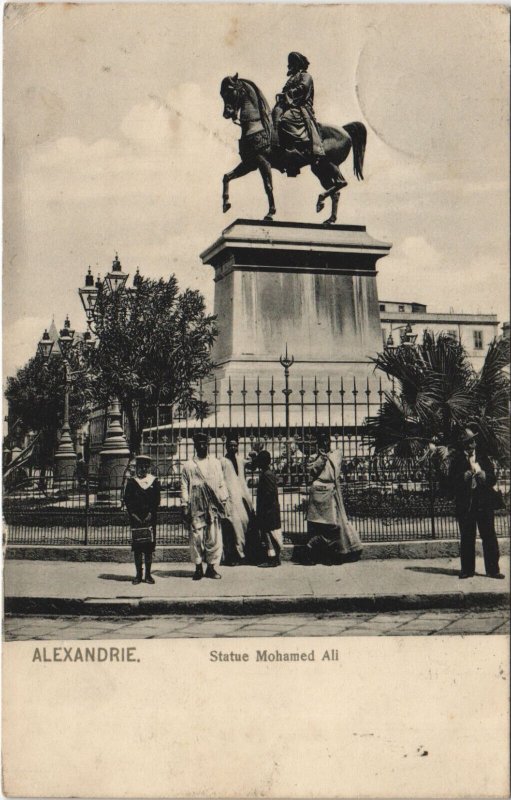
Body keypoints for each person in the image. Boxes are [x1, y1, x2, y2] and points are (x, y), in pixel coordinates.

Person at [446, 426, 505, 580]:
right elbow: (449, 484)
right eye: (467, 443)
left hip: (484, 503)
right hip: (466, 505)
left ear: (475, 443)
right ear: (463, 445)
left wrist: (486, 476)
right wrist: (462, 478)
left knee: (489, 536)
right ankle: (467, 570)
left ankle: (493, 570)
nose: (471, 445)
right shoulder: (457, 460)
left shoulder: (483, 458)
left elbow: (493, 478)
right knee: (467, 538)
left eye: (472, 442)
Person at [304, 433, 362, 565]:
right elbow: (312, 472)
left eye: (327, 440)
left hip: (332, 491)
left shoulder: (337, 454)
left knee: (334, 524)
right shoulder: (313, 457)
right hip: (319, 492)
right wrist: (321, 458)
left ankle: (326, 552)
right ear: (318, 443)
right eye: (322, 441)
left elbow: (343, 470)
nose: (326, 443)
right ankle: (315, 554)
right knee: (319, 524)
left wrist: (353, 463)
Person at [181, 432, 229, 581]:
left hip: (213, 504)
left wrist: (224, 501)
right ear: (195, 446)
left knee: (213, 536)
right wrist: (185, 504)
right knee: (197, 537)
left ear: (207, 445)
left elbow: (221, 483)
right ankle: (198, 567)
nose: (202, 446)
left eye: (204, 444)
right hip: (196, 504)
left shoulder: (215, 462)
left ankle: (211, 567)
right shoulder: (189, 465)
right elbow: (184, 486)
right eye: (199, 444)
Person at [272, 51, 325, 174]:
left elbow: (303, 88)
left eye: (291, 63)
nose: (288, 66)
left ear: (297, 64)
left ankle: (297, 149)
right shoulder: (291, 78)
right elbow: (286, 90)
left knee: (285, 120)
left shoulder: (306, 76)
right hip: (289, 105)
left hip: (301, 107)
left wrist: (287, 95)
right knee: (273, 117)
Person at [123, 455, 161, 585]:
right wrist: (133, 515)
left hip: (150, 519)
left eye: (145, 466)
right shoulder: (132, 482)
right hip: (136, 519)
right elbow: (127, 500)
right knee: (138, 547)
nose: (143, 469)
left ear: (148, 467)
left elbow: (157, 500)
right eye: (140, 466)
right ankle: (138, 575)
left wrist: (151, 513)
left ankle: (148, 575)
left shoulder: (154, 481)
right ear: (137, 467)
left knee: (149, 547)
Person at [220, 435, 255, 565]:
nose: (233, 447)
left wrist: (255, 455)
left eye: (235, 445)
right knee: (233, 526)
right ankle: (235, 555)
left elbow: (252, 465)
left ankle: (244, 552)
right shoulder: (222, 461)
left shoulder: (240, 460)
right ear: (226, 446)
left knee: (245, 522)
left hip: (241, 496)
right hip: (229, 497)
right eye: (230, 445)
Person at [255, 450, 283, 567]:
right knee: (270, 534)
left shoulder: (267, 475)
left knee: (269, 535)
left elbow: (269, 493)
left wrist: (263, 510)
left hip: (268, 511)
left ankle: (272, 559)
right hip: (270, 510)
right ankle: (275, 558)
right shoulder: (268, 473)